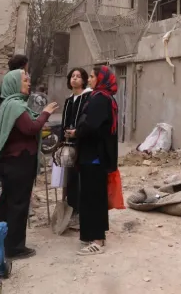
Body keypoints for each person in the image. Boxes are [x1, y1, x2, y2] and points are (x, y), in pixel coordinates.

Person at [0, 69, 58, 258]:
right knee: (18, 205)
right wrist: (45, 113)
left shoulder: (10, 104)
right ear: (14, 84)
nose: (29, 83)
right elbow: (30, 128)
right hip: (18, 163)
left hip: (11, 162)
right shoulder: (15, 106)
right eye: (25, 80)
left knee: (6, 204)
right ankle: (14, 248)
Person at [65, 65, 118, 256]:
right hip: (93, 155)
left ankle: (96, 239)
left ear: (101, 79)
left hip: (93, 157)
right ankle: (95, 236)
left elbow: (91, 125)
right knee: (91, 197)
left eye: (93, 76)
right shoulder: (101, 97)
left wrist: (77, 131)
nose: (89, 80)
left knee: (93, 198)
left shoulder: (100, 99)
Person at [0, 54, 29, 204]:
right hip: (6, 122)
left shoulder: (4, 80)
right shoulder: (15, 82)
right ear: (24, 65)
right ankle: (3, 195)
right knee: (3, 160)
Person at [60, 68, 91, 229]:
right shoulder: (69, 100)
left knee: (80, 177)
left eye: (78, 77)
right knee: (69, 178)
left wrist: (77, 133)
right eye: (72, 76)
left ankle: (79, 210)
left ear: (84, 80)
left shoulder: (87, 98)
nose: (75, 79)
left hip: (81, 144)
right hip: (68, 144)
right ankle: (70, 207)